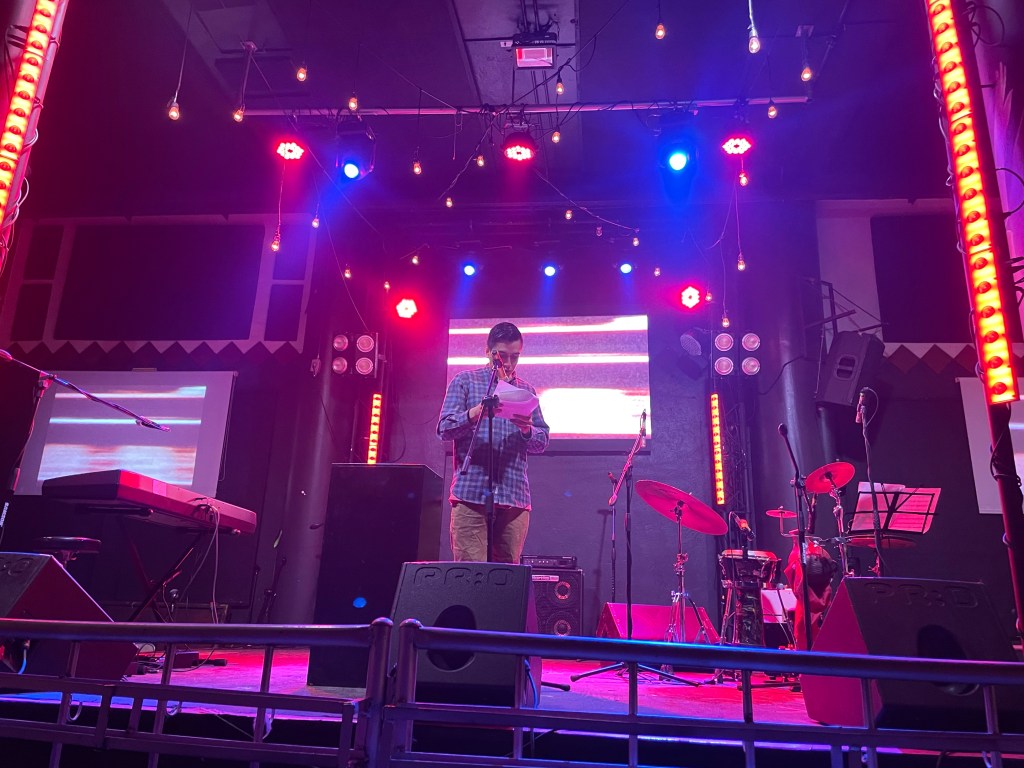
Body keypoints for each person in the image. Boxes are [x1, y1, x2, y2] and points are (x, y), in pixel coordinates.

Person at [437, 322, 550, 563]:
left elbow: (542, 441)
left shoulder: (526, 391)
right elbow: (444, 429)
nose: (508, 363)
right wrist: (474, 413)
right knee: (470, 575)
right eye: (501, 355)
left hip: (514, 497)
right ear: (488, 351)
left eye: (514, 357)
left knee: (507, 578)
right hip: (471, 495)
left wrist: (527, 430)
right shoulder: (465, 381)